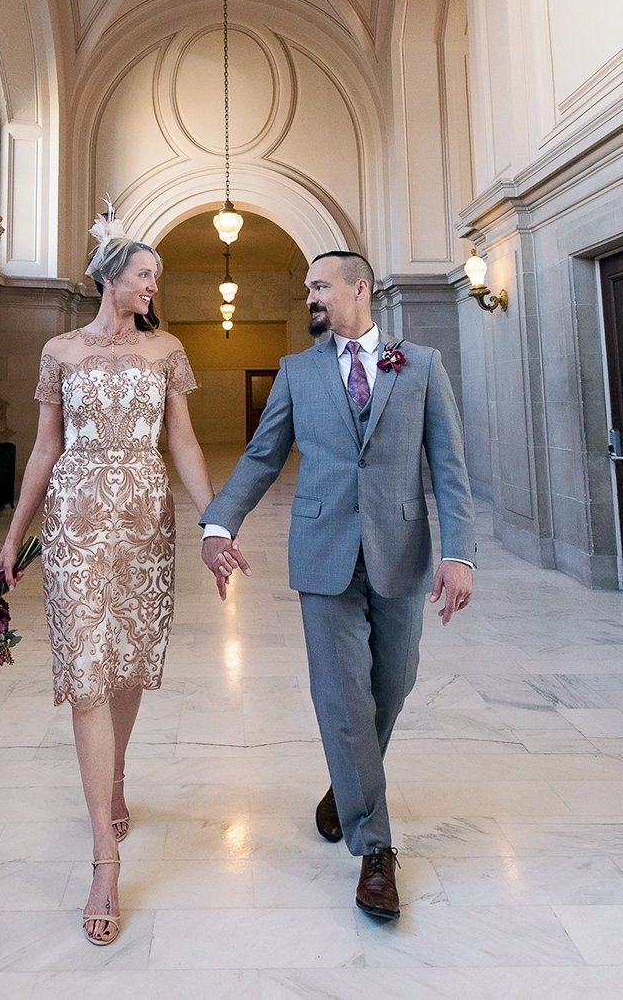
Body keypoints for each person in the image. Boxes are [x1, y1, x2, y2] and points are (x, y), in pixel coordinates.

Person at [199, 249, 476, 920]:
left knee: (392, 683)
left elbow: (448, 463)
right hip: (323, 555)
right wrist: (218, 524)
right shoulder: (298, 372)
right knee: (341, 695)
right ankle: (374, 850)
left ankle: (346, 786)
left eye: (320, 285)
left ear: (359, 289)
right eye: (306, 288)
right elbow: (264, 455)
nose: (311, 296)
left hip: (402, 553)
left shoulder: (421, 366)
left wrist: (461, 553)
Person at [0, 212, 214, 946]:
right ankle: (104, 859)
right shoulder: (60, 351)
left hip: (147, 524)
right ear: (110, 279)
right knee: (85, 673)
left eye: (155, 277)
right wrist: (14, 535)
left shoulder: (166, 350)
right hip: (75, 527)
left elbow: (180, 439)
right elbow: (44, 448)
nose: (154, 286)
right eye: (144, 274)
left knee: (125, 670)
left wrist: (215, 521)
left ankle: (115, 780)